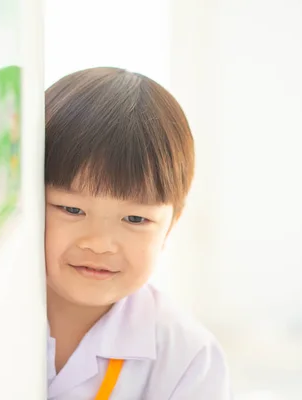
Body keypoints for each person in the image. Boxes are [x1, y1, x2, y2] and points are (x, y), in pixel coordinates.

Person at [45, 67, 232, 399]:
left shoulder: (189, 359)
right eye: (72, 210)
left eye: (134, 219)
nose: (99, 244)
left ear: (171, 224)